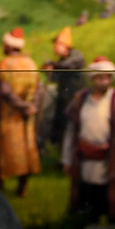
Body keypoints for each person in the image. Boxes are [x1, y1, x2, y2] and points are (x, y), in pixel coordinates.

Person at [60, 58, 115, 224]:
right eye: (100, 77)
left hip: (110, 161)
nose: (104, 81)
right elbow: (71, 132)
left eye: (108, 77)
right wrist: (66, 159)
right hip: (85, 163)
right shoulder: (80, 100)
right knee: (86, 206)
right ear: (93, 78)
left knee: (113, 204)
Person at [0, 29, 41, 197]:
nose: (2, 46)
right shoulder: (31, 63)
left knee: (3, 151)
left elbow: (5, 92)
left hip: (7, 116)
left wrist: (22, 106)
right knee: (26, 149)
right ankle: (22, 188)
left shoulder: (4, 65)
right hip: (26, 117)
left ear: (9, 46)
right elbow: (38, 88)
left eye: (4, 44)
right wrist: (31, 106)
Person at [43, 26, 87, 158]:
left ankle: (76, 158)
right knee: (62, 127)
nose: (55, 48)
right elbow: (56, 78)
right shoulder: (61, 61)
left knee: (75, 127)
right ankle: (64, 158)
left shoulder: (76, 56)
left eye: (57, 44)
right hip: (64, 98)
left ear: (64, 45)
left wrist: (53, 65)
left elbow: (68, 65)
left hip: (76, 98)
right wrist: (48, 71)